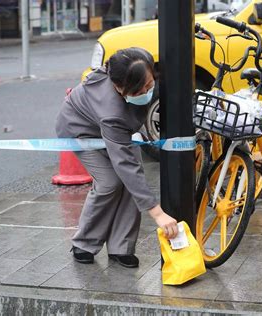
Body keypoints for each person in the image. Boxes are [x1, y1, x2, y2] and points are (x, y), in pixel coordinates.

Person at [56, 47, 178, 268]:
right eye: (139, 92)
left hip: (117, 128)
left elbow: (131, 172)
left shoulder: (137, 60)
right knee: (111, 182)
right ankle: (84, 243)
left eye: (149, 85)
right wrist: (158, 213)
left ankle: (121, 247)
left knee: (132, 181)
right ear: (119, 88)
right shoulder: (112, 112)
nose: (147, 93)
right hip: (80, 130)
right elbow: (125, 165)